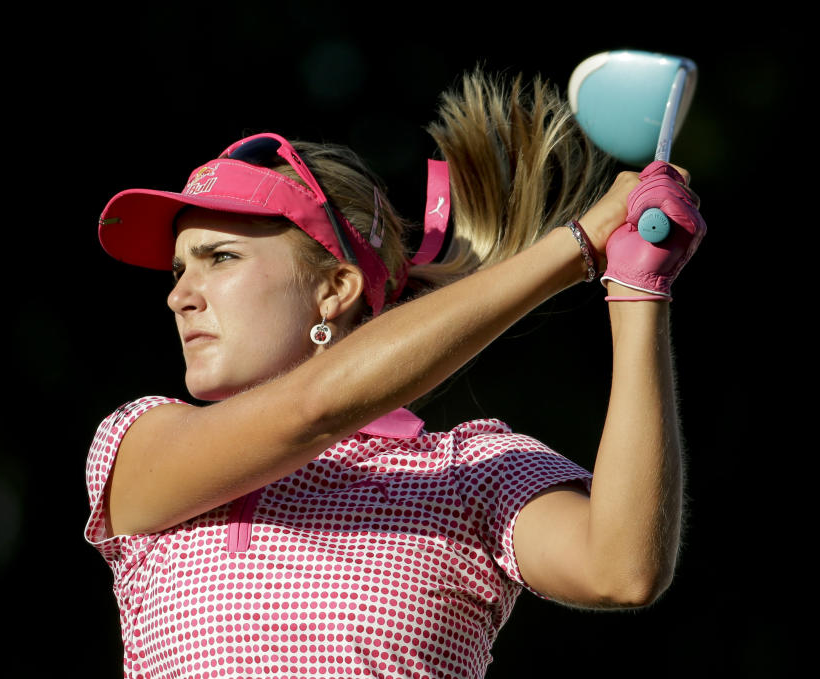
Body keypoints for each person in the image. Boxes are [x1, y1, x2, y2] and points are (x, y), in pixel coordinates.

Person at [85, 69, 705, 679]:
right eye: (177, 271)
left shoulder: (470, 468)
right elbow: (315, 406)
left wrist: (636, 289)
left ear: (335, 289)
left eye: (220, 258)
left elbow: (622, 570)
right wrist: (576, 245)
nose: (180, 297)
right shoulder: (137, 442)